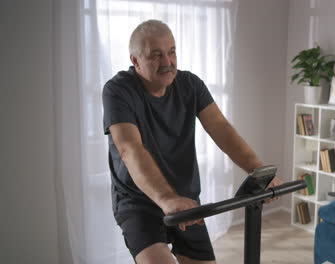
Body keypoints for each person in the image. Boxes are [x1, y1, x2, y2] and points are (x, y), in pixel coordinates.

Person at [102, 19, 282, 264]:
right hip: (139, 202)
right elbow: (129, 148)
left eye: (171, 51)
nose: (167, 62)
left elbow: (221, 128)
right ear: (135, 61)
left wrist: (259, 171)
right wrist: (166, 199)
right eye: (156, 55)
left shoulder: (190, 84)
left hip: (185, 199)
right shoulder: (118, 90)